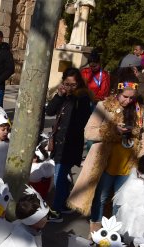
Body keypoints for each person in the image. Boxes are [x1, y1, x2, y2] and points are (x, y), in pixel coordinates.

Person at [67, 77, 144, 235]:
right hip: (106, 161)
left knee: (120, 201)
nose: (128, 101)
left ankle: (115, 229)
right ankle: (96, 224)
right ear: (117, 93)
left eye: (132, 97)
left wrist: (141, 161)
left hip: (128, 164)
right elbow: (88, 132)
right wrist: (113, 131)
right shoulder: (104, 106)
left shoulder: (139, 110)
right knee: (102, 196)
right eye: (125, 96)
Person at [44, 67, 93, 222]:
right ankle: (64, 205)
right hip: (59, 142)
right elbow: (50, 111)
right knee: (62, 175)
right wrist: (59, 95)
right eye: (66, 84)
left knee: (59, 175)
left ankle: (56, 210)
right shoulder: (64, 95)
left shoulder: (82, 98)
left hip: (70, 144)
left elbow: (80, 123)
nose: (70, 88)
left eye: (73, 85)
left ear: (79, 84)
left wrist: (70, 98)